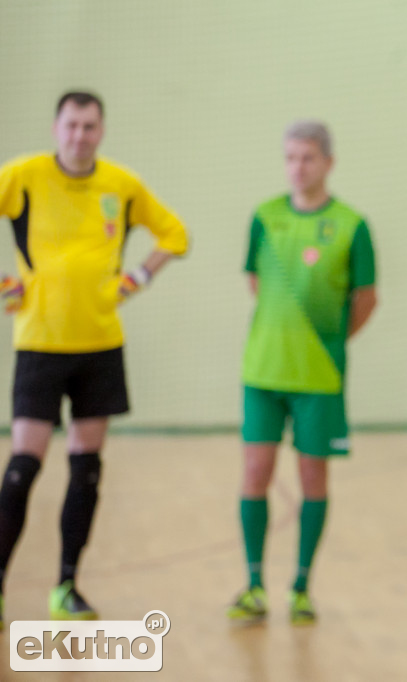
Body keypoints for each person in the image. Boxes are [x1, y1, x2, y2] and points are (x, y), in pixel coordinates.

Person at [0, 91, 189, 625]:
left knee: (85, 469)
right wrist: (4, 284)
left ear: (101, 131)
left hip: (100, 346)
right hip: (39, 343)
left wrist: (137, 278)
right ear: (55, 128)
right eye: (71, 125)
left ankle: (66, 586)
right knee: (23, 467)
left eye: (89, 126)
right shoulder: (23, 177)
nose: (79, 136)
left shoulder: (121, 186)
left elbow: (174, 234)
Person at [228, 120, 377, 625]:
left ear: (328, 162)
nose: (298, 167)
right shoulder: (264, 217)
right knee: (255, 473)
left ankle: (300, 587)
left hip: (319, 377)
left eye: (308, 157)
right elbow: (255, 281)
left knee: (313, 476)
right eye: (290, 157)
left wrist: (324, 343)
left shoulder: (352, 225)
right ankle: (253, 584)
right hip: (263, 371)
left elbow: (365, 299)